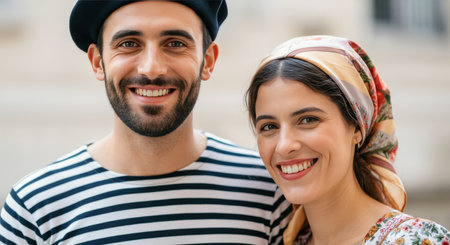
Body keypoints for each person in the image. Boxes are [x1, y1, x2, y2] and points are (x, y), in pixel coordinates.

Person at [0, 1, 292, 244]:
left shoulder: (270, 191)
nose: (151, 68)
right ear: (98, 62)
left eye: (175, 43)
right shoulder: (36, 206)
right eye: (129, 44)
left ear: (208, 60)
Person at [246, 35, 450, 245]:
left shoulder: (415, 240)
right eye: (269, 126)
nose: (285, 145)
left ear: (357, 127)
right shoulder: (280, 240)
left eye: (307, 120)